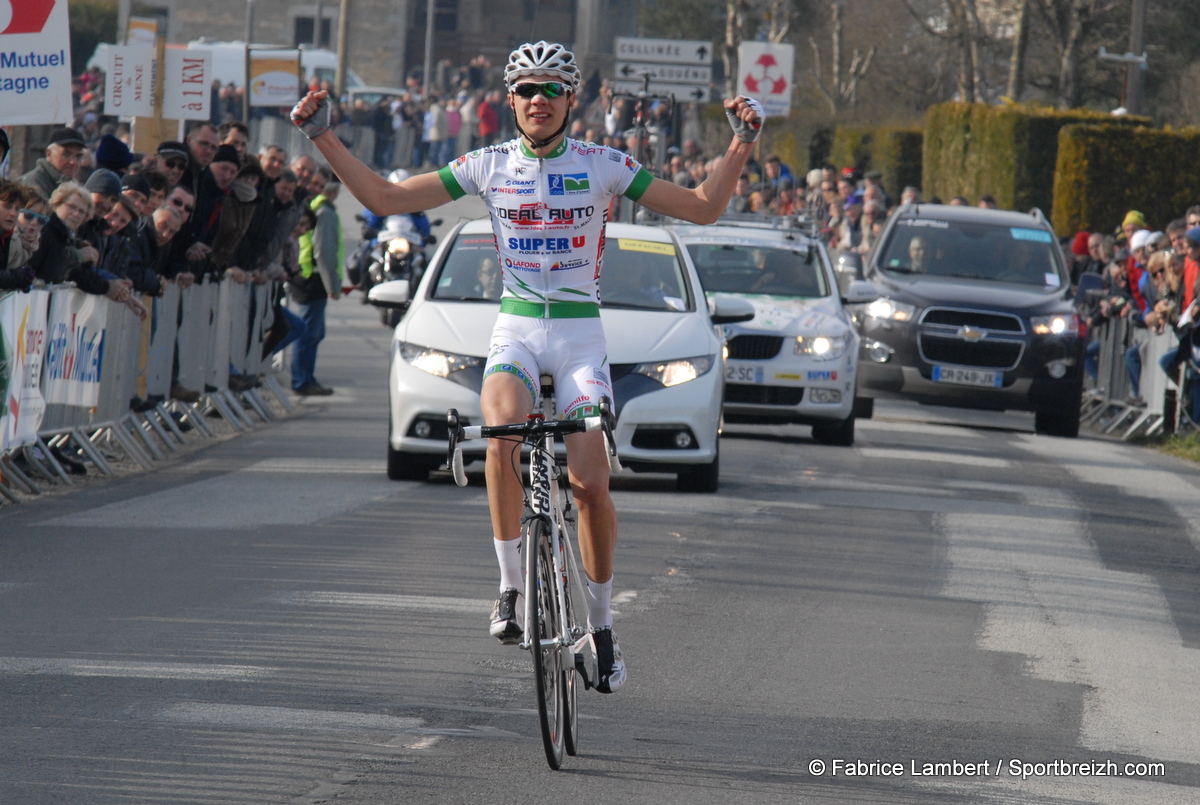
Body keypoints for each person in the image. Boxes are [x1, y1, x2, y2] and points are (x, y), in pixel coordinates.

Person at [291, 40, 763, 694]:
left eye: (550, 90)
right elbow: (388, 198)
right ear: (508, 101)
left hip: (578, 338)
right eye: (525, 91)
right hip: (515, 328)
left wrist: (740, 143)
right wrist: (323, 136)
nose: (537, 100)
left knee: (591, 482)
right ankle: (511, 588)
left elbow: (704, 207)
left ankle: (600, 626)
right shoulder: (487, 165)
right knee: (503, 432)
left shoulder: (604, 165)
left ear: (571, 100)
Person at [290, 178, 343, 396]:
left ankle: (306, 378)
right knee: (308, 333)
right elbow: (324, 251)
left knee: (314, 332)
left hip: (307, 275)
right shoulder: (325, 211)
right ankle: (302, 380)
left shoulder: (315, 207)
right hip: (314, 279)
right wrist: (333, 286)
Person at [18, 127, 86, 202]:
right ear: (49, 154)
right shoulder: (35, 182)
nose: (73, 162)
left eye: (78, 156)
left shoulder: (70, 184)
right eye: (66, 154)